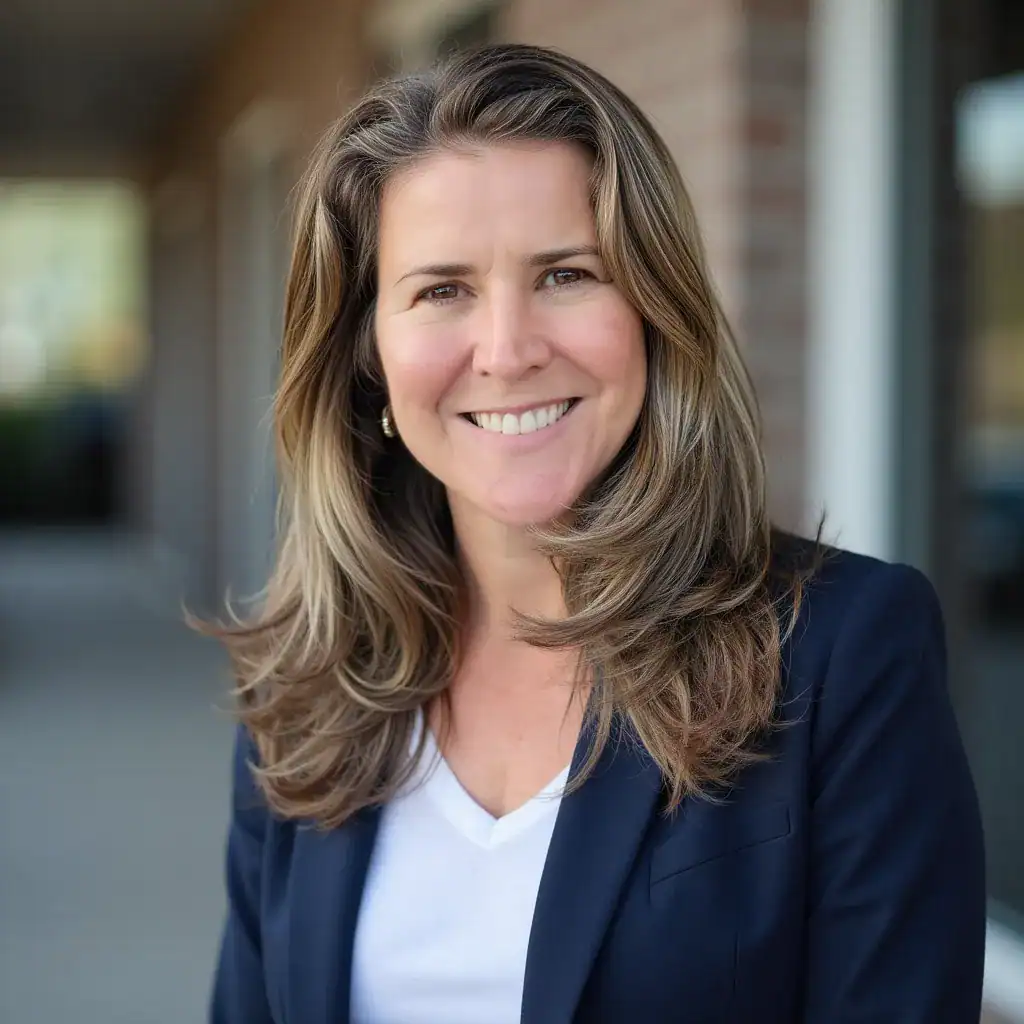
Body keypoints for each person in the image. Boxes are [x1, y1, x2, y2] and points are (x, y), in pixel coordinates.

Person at [204, 43, 986, 1024]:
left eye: (565, 273)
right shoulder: (306, 686)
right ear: (368, 358)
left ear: (655, 311)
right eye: (442, 289)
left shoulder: (841, 651)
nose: (509, 349)